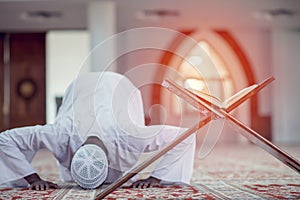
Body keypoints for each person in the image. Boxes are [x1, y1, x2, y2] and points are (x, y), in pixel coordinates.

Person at [0, 71, 196, 190]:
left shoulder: (129, 134)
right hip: (79, 88)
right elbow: (5, 139)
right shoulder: (60, 133)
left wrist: (157, 178)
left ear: (110, 159)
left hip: (120, 86)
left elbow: (185, 135)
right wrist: (32, 178)